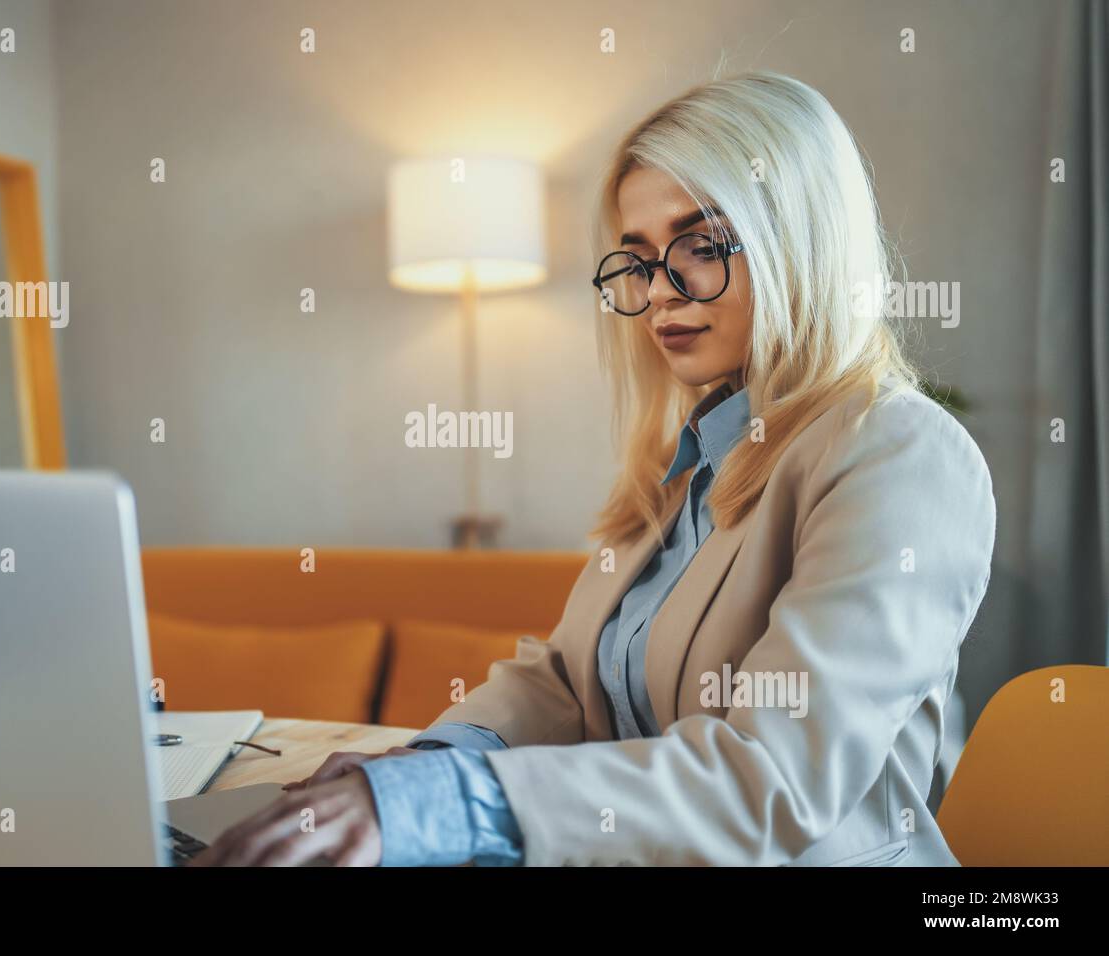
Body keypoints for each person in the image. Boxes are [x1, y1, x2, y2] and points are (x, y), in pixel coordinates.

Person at [194, 71, 996, 867]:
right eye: (640, 260)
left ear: (803, 242)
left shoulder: (900, 456)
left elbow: (774, 781)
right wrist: (424, 770)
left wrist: (446, 806)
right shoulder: (694, 457)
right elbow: (566, 683)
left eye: (704, 246)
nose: (660, 295)